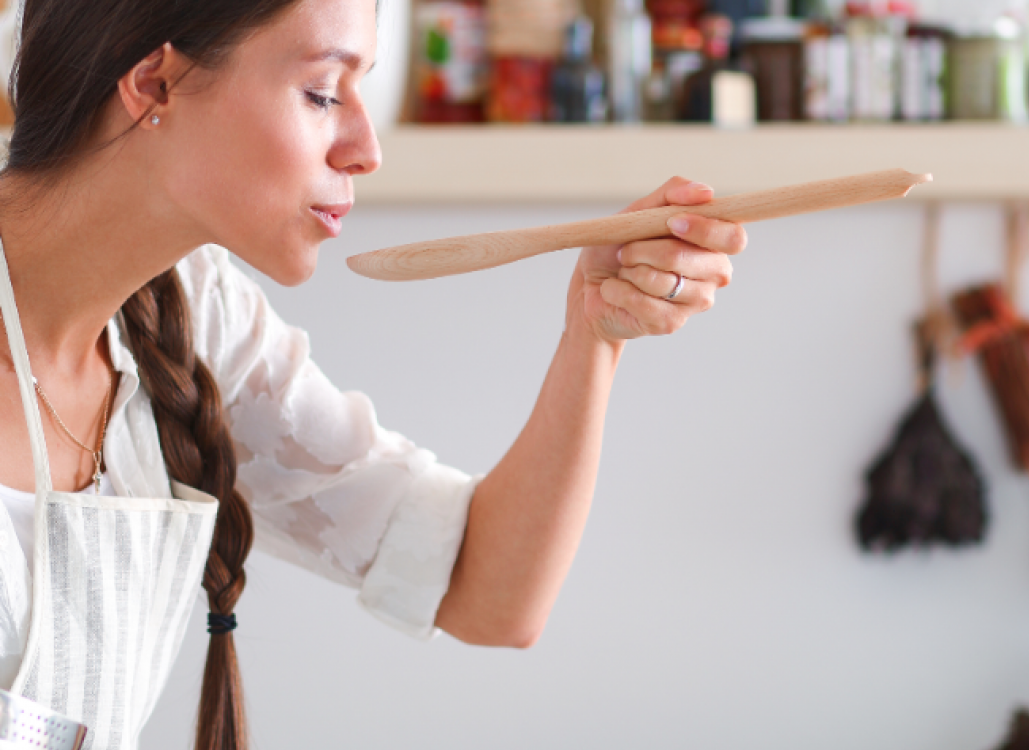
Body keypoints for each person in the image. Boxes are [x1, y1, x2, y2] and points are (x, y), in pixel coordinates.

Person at [0, 0, 745, 747]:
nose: (365, 149)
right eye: (324, 92)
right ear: (155, 84)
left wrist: (594, 331)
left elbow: (487, 593)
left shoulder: (193, 315)